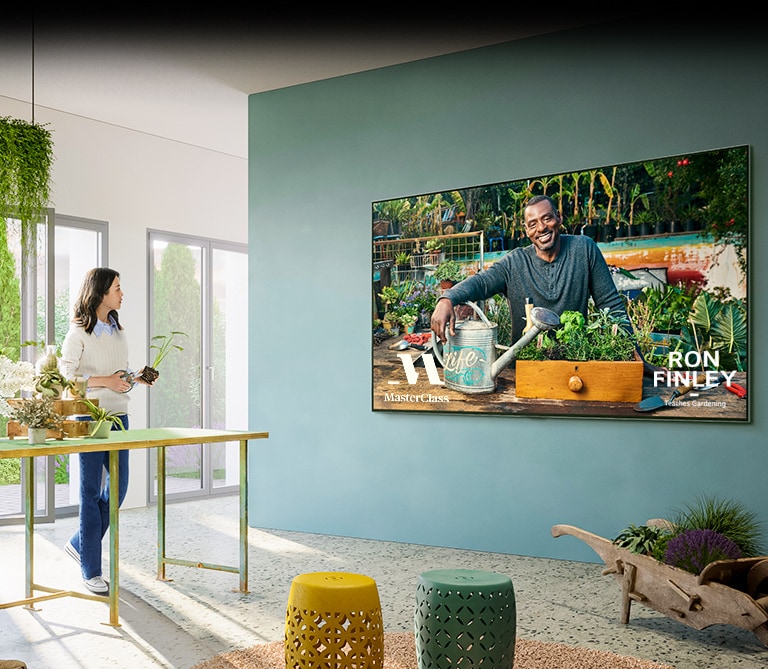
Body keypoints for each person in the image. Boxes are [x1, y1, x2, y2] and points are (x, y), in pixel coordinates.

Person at [431, 195, 651, 370]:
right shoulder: (515, 262)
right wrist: (447, 299)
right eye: (533, 224)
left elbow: (611, 305)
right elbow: (482, 282)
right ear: (527, 230)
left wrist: (638, 359)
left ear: (559, 218)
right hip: (525, 369)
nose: (541, 228)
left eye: (547, 219)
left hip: (574, 364)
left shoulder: (584, 249)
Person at [59, 268, 154, 594]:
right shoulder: (77, 335)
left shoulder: (118, 333)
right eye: (117, 288)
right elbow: (66, 380)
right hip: (88, 419)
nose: (121, 294)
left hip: (119, 418)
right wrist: (106, 381)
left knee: (119, 489)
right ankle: (91, 570)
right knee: (89, 492)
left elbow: (119, 376)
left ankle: (78, 543)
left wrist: (134, 377)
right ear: (100, 293)